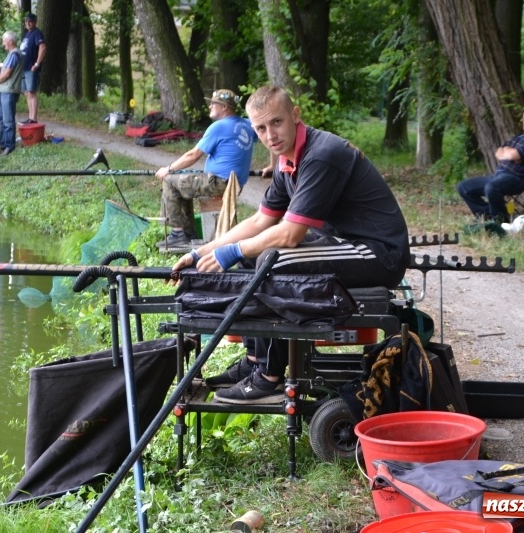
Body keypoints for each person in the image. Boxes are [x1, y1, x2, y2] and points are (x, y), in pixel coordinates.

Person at [171, 85, 411, 404]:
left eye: (276, 123)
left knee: (274, 260)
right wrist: (200, 252)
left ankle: (269, 375)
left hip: (378, 252)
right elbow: (260, 222)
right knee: (252, 254)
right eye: (260, 128)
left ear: (294, 116)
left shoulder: (321, 154)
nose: (270, 134)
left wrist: (233, 251)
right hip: (341, 242)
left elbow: (289, 235)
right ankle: (255, 360)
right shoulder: (287, 161)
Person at [155, 89, 264, 248]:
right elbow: (269, 134)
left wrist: (169, 168)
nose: (210, 106)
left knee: (170, 181)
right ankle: (188, 233)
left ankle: (178, 234)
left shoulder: (219, 127)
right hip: (233, 183)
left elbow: (193, 155)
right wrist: (273, 165)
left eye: (214, 103)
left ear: (225, 107)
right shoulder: (247, 124)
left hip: (218, 182)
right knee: (182, 183)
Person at [457, 107, 524, 222]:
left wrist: (511, 154)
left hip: (517, 179)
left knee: (492, 187)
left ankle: (501, 221)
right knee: (464, 187)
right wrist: (509, 153)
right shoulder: (518, 138)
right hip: (498, 176)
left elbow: (513, 155)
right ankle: (486, 215)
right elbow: (499, 152)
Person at [0, 31, 24, 156]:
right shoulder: (10, 55)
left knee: (8, 120)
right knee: (1, 119)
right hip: (4, 91)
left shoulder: (14, 55)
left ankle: (9, 146)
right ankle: (3, 145)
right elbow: (5, 74)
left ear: (11, 41)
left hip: (9, 91)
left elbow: (8, 74)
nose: (3, 43)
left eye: (4, 40)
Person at [19, 12, 46, 124]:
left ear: (34, 22)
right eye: (26, 21)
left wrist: (37, 63)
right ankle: (30, 117)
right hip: (23, 68)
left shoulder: (37, 33)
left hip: (31, 68)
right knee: (27, 92)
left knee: (32, 92)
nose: (27, 23)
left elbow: (42, 47)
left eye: (30, 21)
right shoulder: (27, 34)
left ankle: (33, 118)